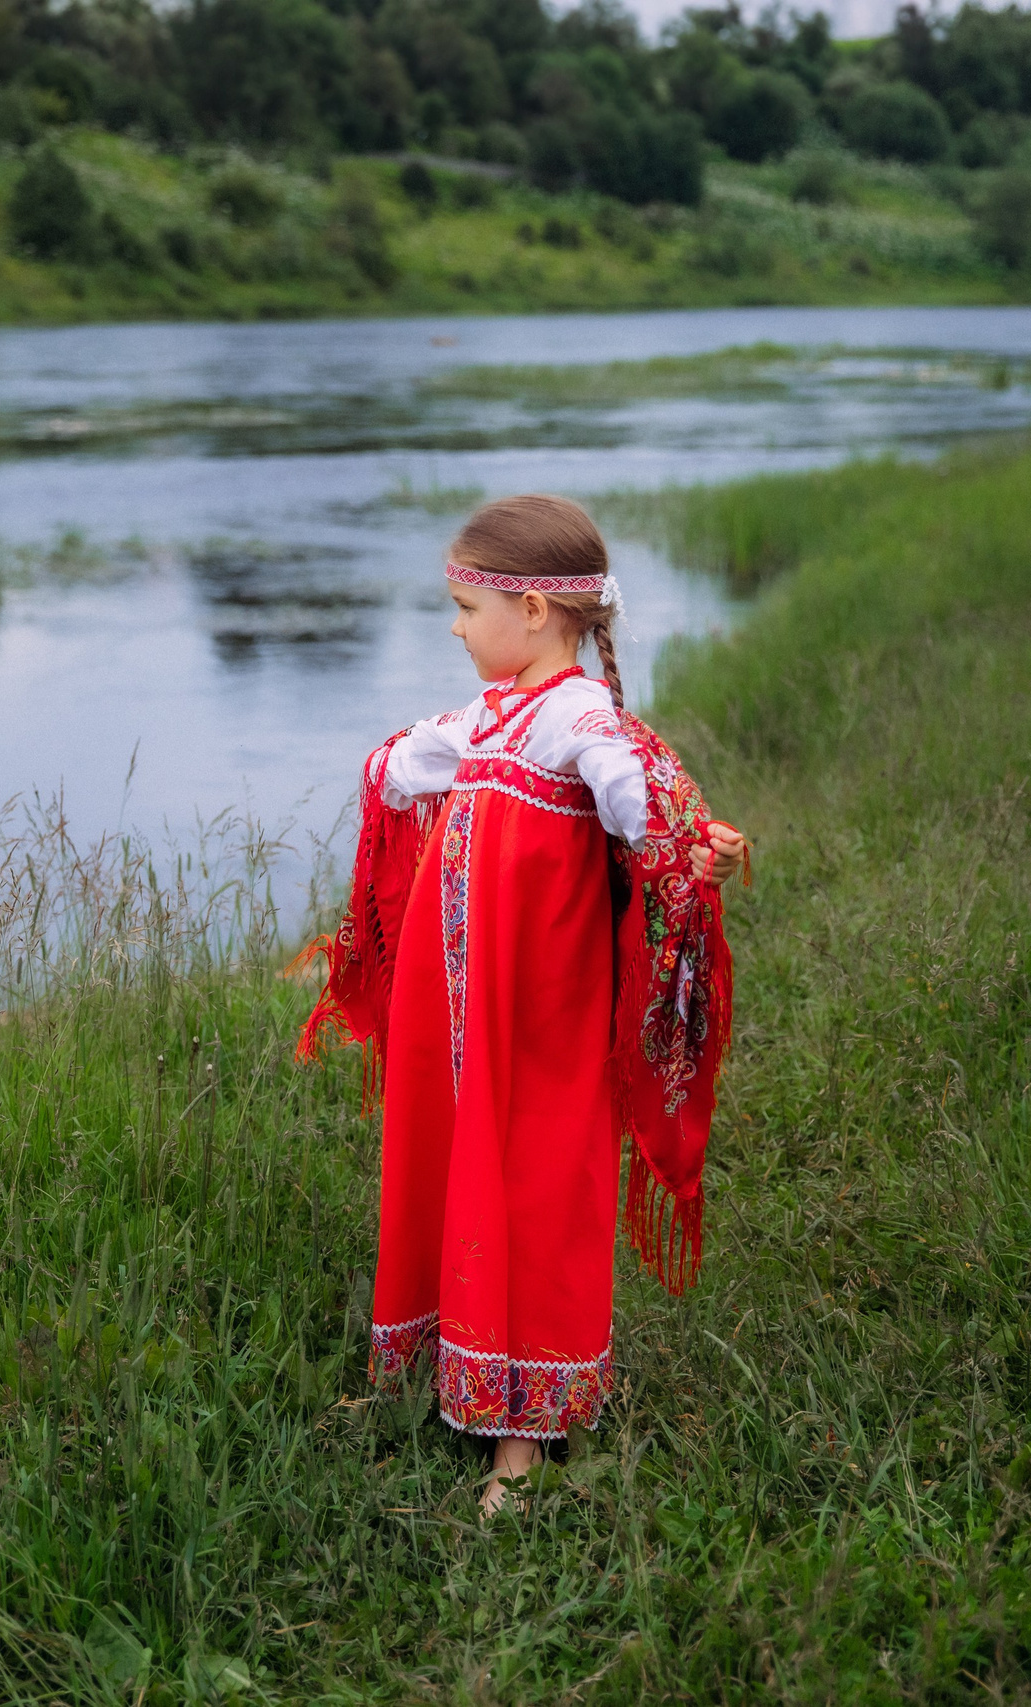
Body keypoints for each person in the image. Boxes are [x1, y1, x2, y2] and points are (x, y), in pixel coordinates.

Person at [296, 494, 748, 1516]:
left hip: (537, 1017)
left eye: (463, 607)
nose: (455, 628)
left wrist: (694, 849)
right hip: (456, 1012)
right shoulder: (487, 715)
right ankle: (441, 1369)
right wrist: (395, 770)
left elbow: (646, 814)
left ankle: (523, 1440)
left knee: (532, 1182)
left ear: (535, 610)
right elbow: (394, 768)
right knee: (450, 1164)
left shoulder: (580, 720)